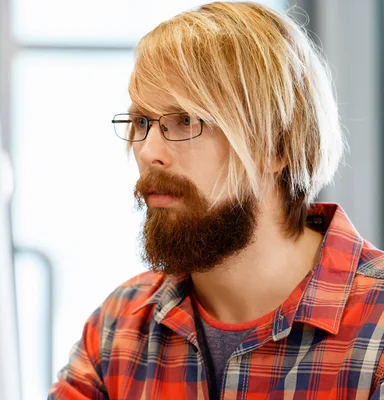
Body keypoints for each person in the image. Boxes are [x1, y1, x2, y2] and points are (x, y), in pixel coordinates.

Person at [48, 1, 384, 399]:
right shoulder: (118, 328)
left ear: (276, 146)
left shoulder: (376, 328)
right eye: (142, 122)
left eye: (185, 120)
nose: (147, 151)